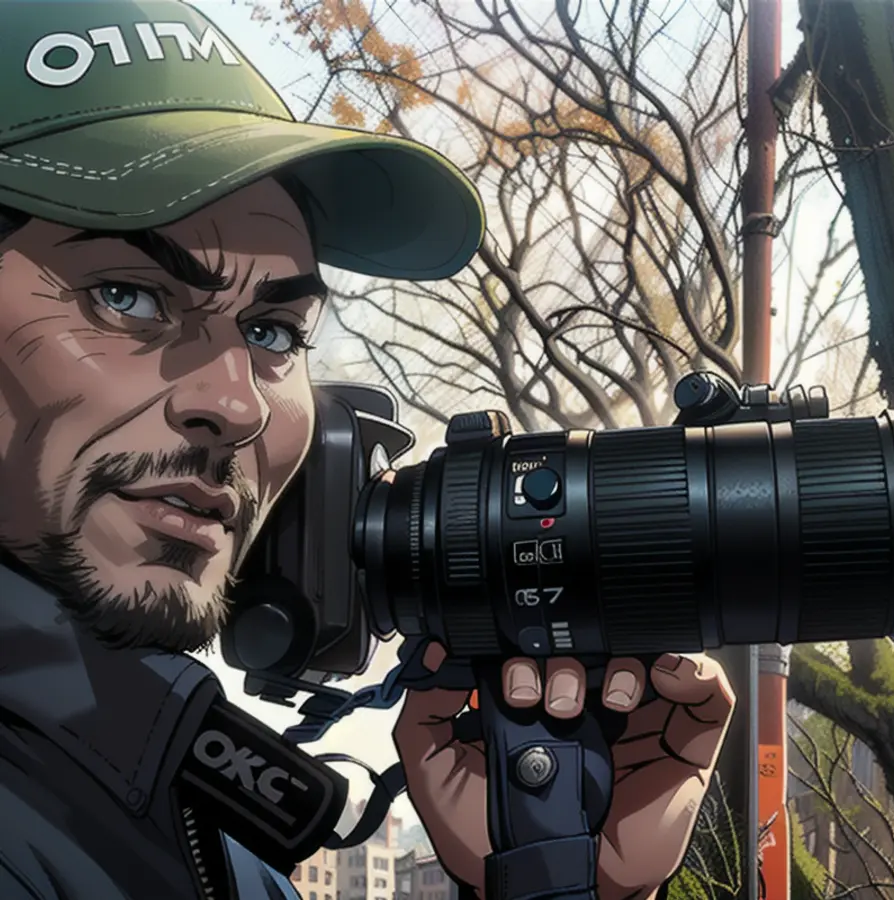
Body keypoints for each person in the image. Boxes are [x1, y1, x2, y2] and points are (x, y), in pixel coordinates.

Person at [0, 2, 734, 898]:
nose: (237, 405)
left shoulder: (168, 791)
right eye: (129, 296)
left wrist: (551, 876)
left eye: (274, 332)